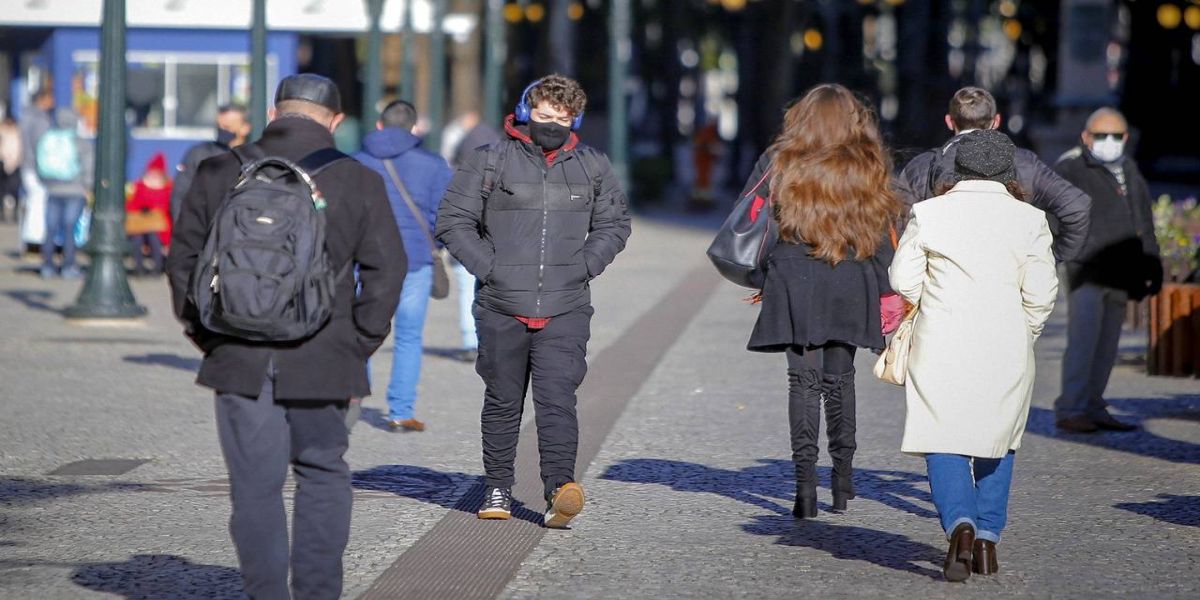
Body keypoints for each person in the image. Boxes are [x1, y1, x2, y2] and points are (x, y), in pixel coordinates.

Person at [166, 74, 405, 599]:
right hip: (325, 355)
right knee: (323, 475)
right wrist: (358, 343)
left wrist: (211, 337)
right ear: (335, 121)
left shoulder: (218, 171)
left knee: (255, 487)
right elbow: (387, 270)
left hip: (238, 355)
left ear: (273, 113)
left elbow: (182, 262)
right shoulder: (357, 179)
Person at [437, 74, 631, 527]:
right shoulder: (489, 160)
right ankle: (497, 487)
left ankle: (560, 489)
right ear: (525, 113)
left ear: (575, 120)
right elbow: (452, 220)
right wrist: (491, 269)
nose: (551, 125)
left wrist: (585, 265)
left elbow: (614, 224)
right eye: (543, 115)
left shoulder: (593, 166)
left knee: (557, 398)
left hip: (566, 304)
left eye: (561, 119)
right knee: (503, 401)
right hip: (501, 304)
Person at [890, 129, 1058, 582]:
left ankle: (959, 525)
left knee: (942, 435)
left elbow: (902, 279)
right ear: (1009, 173)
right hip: (1007, 343)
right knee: (999, 437)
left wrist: (930, 301)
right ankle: (986, 539)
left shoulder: (929, 213)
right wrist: (1025, 331)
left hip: (941, 341)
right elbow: (1041, 293)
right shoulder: (1030, 220)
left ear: (958, 169)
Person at [742, 84, 901, 519]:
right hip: (852, 274)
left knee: (802, 382)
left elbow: (752, 218)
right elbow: (884, 229)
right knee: (841, 379)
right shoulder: (868, 161)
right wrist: (887, 290)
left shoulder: (781, 159)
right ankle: (843, 481)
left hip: (794, 274)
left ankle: (804, 488)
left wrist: (764, 276)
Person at [1052, 108, 1161, 433]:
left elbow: (1143, 219)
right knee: (1083, 342)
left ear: (1125, 137)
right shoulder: (1071, 168)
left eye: (1116, 136)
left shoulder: (1129, 169)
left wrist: (1151, 262)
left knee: (1107, 345)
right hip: (1086, 271)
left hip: (1121, 271)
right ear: (1086, 137)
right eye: (1102, 135)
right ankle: (1071, 408)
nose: (1109, 142)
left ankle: (1093, 405)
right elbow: (1054, 217)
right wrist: (1072, 253)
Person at [895, 86, 1091, 262]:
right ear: (996, 121)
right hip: (1010, 278)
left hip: (942, 281)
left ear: (949, 121)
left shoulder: (921, 167)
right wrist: (1051, 258)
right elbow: (1077, 207)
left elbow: (901, 228)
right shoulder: (1024, 163)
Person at [354, 99, 453, 432]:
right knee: (409, 337)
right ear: (414, 129)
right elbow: (445, 215)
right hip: (414, 259)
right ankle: (400, 411)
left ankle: (353, 400)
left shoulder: (356, 161)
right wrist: (435, 246)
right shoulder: (433, 164)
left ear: (379, 125)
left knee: (361, 330)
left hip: (365, 259)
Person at [440, 110, 502, 362]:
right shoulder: (498, 149)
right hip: (492, 233)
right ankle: (488, 340)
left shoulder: (464, 163)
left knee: (466, 285)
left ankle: (470, 341)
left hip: (467, 230)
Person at [169, 103, 251, 222]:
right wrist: (183, 226)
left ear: (245, 128)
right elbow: (180, 195)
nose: (222, 130)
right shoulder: (200, 154)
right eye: (219, 126)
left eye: (227, 127)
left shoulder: (253, 158)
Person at [37, 107, 93, 279]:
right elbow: (88, 166)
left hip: (52, 189)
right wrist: (88, 186)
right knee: (70, 229)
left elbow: (39, 163)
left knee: (51, 229)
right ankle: (68, 266)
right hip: (75, 190)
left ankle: (47, 266)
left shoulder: (48, 139)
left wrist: (46, 183)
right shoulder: (80, 142)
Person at [125, 152, 172, 277]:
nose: (154, 175)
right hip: (140, 223)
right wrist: (141, 209)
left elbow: (168, 207)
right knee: (137, 238)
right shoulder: (139, 186)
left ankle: (157, 266)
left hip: (159, 225)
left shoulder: (168, 188)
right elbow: (131, 205)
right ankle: (138, 267)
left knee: (154, 237)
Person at [19, 88, 55, 252]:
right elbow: (40, 146)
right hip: (36, 167)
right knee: (38, 201)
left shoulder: (26, 116)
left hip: (28, 165)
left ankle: (30, 240)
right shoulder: (39, 119)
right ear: (43, 99)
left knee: (33, 201)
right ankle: (34, 241)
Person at [0, 114, 22, 222]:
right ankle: (3, 213)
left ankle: (14, 213)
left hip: (15, 164)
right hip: (3, 164)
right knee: (3, 190)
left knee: (14, 189)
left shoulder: (18, 132)